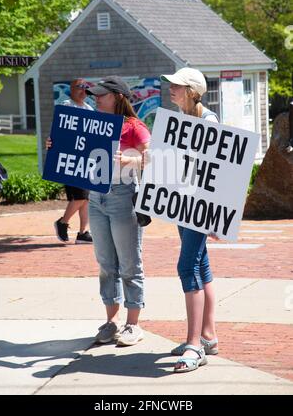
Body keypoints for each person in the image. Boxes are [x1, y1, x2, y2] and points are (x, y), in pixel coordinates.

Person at [160, 67, 219, 373]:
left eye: (177, 85)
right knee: (201, 265)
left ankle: (194, 345)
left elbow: (216, 172)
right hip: (180, 204)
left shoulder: (208, 121)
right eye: (171, 84)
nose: (171, 88)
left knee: (187, 266)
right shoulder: (178, 121)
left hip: (197, 207)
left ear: (192, 91)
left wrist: (214, 216)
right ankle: (207, 336)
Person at [85, 76, 150, 347]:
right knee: (105, 263)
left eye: (102, 95)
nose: (96, 98)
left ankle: (133, 324)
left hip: (123, 196)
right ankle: (111, 322)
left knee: (129, 263)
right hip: (95, 196)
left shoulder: (134, 126)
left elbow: (153, 156)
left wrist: (130, 159)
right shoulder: (91, 125)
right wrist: (58, 149)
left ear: (118, 98)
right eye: (95, 94)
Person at [46, 78, 93, 244]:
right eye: (79, 87)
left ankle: (83, 233)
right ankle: (62, 222)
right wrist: (51, 142)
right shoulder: (66, 106)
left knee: (86, 198)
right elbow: (58, 130)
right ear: (71, 89)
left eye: (85, 87)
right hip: (69, 159)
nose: (83, 90)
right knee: (80, 196)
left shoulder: (89, 108)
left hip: (85, 159)